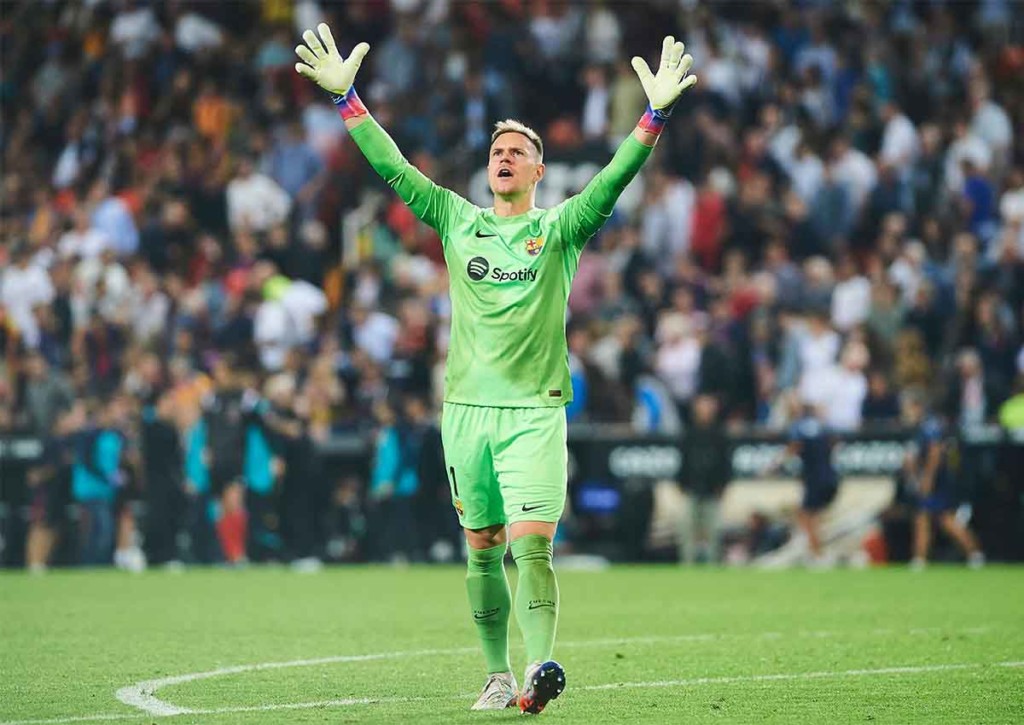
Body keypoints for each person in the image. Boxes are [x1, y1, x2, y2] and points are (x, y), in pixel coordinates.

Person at [295, 24, 698, 714]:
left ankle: (538, 668)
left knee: (532, 547)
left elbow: (611, 181)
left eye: (518, 151)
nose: (504, 157)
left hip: (535, 412)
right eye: (496, 151)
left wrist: (653, 117)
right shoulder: (456, 220)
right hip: (466, 412)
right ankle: (496, 675)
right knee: (482, 547)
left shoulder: (560, 229)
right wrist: (347, 101)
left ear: (539, 172)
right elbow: (396, 171)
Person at [902, 390, 985, 570]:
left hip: (938, 480)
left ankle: (922, 558)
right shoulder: (922, 426)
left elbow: (935, 452)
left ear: (917, 406)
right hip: (935, 478)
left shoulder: (929, 425)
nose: (906, 412)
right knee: (931, 517)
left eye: (908, 408)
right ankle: (922, 558)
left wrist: (928, 478)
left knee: (939, 518)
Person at [678, 394, 731, 564]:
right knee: (687, 531)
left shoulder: (720, 435)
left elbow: (726, 464)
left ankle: (713, 565)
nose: (705, 411)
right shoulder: (689, 434)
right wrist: (682, 484)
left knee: (714, 532)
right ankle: (687, 565)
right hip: (692, 490)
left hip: (712, 491)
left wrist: (722, 486)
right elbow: (683, 462)